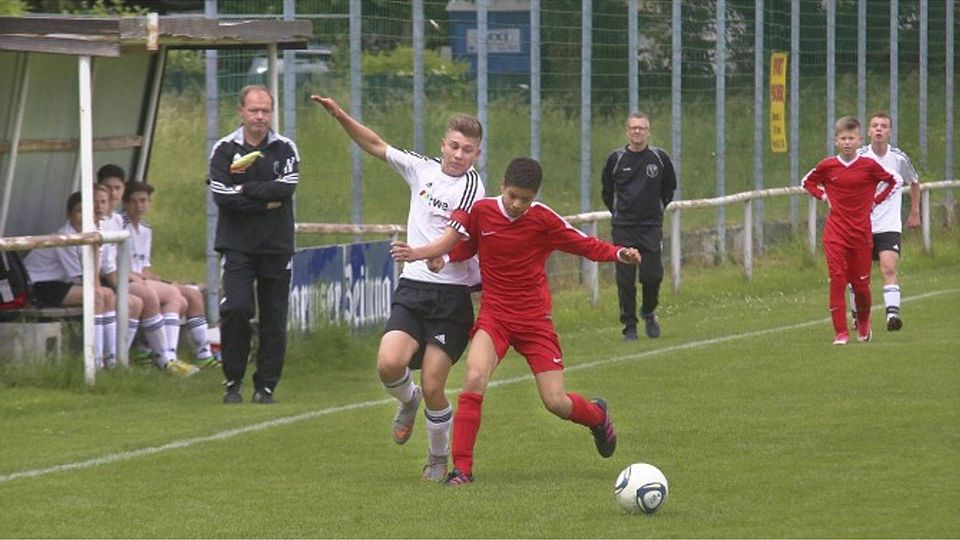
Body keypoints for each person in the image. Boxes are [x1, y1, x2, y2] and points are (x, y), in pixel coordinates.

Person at [391, 157, 640, 485]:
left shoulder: (543, 219)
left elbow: (583, 244)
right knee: (474, 378)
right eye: (512, 196)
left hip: (535, 320)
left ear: (535, 196)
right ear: (502, 187)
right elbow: (468, 248)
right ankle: (462, 470)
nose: (518, 204)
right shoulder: (482, 211)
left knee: (555, 402)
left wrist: (618, 254)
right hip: (495, 316)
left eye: (526, 198)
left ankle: (596, 416)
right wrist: (447, 257)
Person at [309, 94, 485, 481]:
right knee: (389, 364)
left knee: (435, 382)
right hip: (413, 290)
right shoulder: (421, 169)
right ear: (443, 144)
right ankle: (408, 402)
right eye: (454, 146)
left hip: (450, 299)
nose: (459, 155)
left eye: (468, 150)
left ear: (476, 154)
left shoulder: (473, 188)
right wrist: (341, 116)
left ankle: (438, 459)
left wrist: (416, 251)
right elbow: (375, 144)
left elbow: (452, 241)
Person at [209, 85, 300, 404]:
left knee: (274, 318)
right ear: (241, 112)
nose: (260, 116)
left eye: (265, 110)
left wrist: (244, 190)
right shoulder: (224, 149)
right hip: (237, 245)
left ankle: (266, 386)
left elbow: (286, 189)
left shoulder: (285, 149)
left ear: (271, 112)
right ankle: (232, 380)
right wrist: (263, 200)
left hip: (276, 245)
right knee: (236, 308)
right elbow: (221, 195)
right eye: (254, 110)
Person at [802, 116, 899, 345]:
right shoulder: (828, 166)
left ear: (859, 140)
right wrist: (824, 196)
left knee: (860, 285)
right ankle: (840, 333)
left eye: (851, 138)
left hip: (861, 234)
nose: (847, 142)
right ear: (836, 141)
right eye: (842, 138)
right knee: (837, 279)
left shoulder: (868, 166)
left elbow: (894, 180)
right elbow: (807, 182)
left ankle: (864, 323)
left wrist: (876, 201)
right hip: (835, 234)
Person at [121, 181, 216, 366]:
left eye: (143, 201)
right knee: (176, 297)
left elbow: (145, 266)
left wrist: (158, 278)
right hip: (131, 282)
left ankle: (203, 354)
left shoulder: (146, 230)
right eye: (133, 201)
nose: (139, 206)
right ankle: (168, 358)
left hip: (145, 280)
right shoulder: (120, 227)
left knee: (192, 294)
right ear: (125, 204)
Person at [600, 112, 677, 341]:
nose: (637, 132)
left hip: (651, 226)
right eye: (633, 128)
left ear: (648, 132)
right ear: (627, 131)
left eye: (641, 128)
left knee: (652, 275)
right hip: (624, 226)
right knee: (625, 278)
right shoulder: (616, 159)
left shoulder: (659, 158)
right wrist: (619, 213)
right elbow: (607, 191)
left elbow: (669, 188)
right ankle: (629, 327)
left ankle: (649, 311)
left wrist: (656, 209)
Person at [97, 165, 182, 369]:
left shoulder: (117, 220)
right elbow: (108, 267)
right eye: (107, 188)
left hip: (121, 277)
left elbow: (142, 266)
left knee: (182, 295)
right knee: (149, 297)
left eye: (117, 188)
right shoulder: (106, 220)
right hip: (108, 279)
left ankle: (161, 355)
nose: (112, 193)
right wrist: (136, 280)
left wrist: (154, 279)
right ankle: (163, 359)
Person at [850, 111, 921, 331]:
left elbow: (915, 182)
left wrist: (915, 212)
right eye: (875, 126)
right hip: (862, 224)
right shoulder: (859, 156)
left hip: (889, 225)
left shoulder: (898, 158)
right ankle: (857, 315)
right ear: (869, 132)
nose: (879, 129)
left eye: (883, 126)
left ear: (890, 132)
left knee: (888, 267)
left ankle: (892, 316)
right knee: (858, 276)